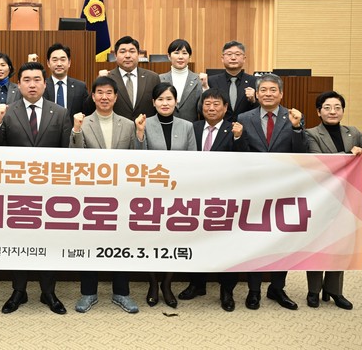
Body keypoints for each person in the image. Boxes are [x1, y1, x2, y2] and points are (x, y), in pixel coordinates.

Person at [0, 62, 72, 315]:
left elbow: (68, 153)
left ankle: (48, 292)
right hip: (17, 191)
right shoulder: (7, 111)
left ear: (45, 84)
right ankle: (19, 291)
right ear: (19, 84)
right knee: (18, 241)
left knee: (49, 241)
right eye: (26, 80)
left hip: (50, 191)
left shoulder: (60, 112)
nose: (32, 85)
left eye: (37, 80)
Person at [304, 91, 362, 310]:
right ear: (319, 112)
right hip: (322, 198)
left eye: (337, 107)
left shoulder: (353, 132)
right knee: (318, 245)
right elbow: (319, 162)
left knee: (341, 245)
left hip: (349, 199)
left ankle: (334, 290)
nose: (332, 111)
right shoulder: (311, 134)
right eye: (327, 107)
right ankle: (313, 290)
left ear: (343, 111)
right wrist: (348, 154)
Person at [237, 73, 307, 311]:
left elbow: (302, 154)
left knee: (282, 239)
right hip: (254, 189)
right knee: (255, 240)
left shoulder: (294, 117)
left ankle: (277, 288)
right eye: (263, 90)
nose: (268, 94)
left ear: (281, 94)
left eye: (272, 90)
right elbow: (240, 155)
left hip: (284, 188)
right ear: (256, 94)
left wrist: (297, 128)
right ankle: (254, 290)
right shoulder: (244, 118)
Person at [70, 76, 138, 314]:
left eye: (109, 92)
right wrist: (76, 130)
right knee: (89, 243)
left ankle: (122, 293)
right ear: (93, 96)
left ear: (116, 97)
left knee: (122, 244)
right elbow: (74, 157)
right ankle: (88, 293)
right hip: (91, 196)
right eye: (99, 92)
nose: (104, 97)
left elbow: (138, 160)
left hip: (122, 196)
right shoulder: (83, 123)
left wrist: (140, 134)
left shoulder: (128, 125)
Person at [178, 88, 248, 312]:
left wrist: (238, 138)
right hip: (196, 195)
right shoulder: (194, 127)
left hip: (224, 196)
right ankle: (196, 284)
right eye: (207, 104)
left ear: (226, 108)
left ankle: (227, 291)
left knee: (227, 243)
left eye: (216, 104)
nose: (211, 108)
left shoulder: (235, 129)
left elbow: (245, 160)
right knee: (196, 240)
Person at [134, 82, 197, 309]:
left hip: (178, 193)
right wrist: (139, 133)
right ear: (153, 102)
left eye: (169, 99)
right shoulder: (144, 123)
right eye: (160, 99)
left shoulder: (187, 126)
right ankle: (153, 284)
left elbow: (194, 160)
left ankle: (167, 284)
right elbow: (138, 160)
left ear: (176, 102)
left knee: (173, 239)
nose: (165, 103)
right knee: (151, 239)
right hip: (151, 192)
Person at [93, 36, 160, 119]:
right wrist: (98, 81)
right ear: (115, 55)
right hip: (116, 126)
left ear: (138, 54)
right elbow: (90, 107)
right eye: (123, 51)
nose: (127, 56)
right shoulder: (107, 78)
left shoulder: (152, 78)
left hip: (146, 126)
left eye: (132, 51)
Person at [201, 41, 257, 121]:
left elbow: (261, 109)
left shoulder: (254, 81)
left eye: (237, 54)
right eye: (229, 54)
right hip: (219, 126)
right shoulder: (211, 81)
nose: (233, 58)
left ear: (244, 59)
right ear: (222, 59)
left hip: (246, 126)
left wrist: (253, 100)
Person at [159, 39, 201, 122]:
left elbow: (202, 108)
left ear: (189, 56)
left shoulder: (198, 79)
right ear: (169, 56)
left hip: (191, 127)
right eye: (176, 53)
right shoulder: (159, 79)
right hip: (164, 125)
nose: (180, 57)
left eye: (184, 53)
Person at [43, 42, 89, 117]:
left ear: (69, 63)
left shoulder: (80, 87)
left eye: (62, 60)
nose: (59, 64)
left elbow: (88, 111)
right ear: (48, 63)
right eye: (55, 60)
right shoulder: (42, 86)